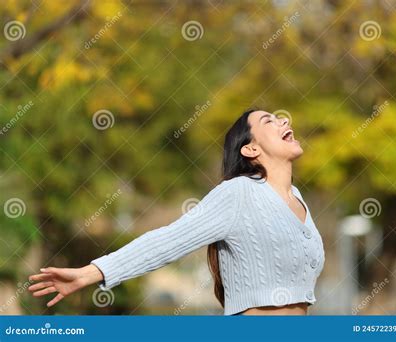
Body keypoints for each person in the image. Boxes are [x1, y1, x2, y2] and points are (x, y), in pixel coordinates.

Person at [28, 108, 325, 315]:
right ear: (250, 149)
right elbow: (168, 240)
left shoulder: (298, 201)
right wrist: (90, 273)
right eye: (269, 121)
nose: (283, 120)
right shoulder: (239, 193)